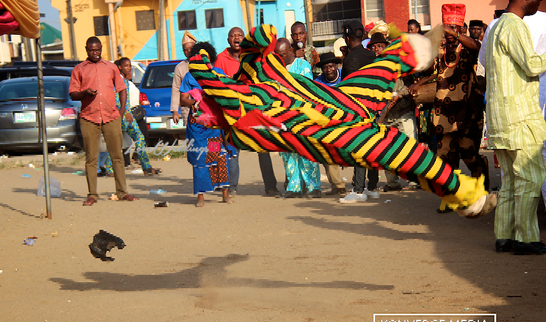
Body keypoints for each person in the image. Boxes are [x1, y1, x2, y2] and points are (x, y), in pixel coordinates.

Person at [187, 24, 496, 219]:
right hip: (329, 130)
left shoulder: (253, 83)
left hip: (337, 107)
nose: (200, 112)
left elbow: (253, 46)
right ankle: (461, 192)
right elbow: (226, 73)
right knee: (391, 150)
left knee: (387, 132)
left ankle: (461, 192)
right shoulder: (239, 120)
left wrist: (206, 58)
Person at [414, 4, 489, 213]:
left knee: (470, 156)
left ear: (460, 29)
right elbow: (431, 69)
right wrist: (419, 82)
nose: (448, 33)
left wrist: (455, 35)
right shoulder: (440, 48)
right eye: (446, 28)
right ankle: (449, 198)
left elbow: (478, 46)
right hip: (443, 113)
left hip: (468, 112)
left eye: (452, 29)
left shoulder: (469, 47)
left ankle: (482, 192)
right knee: (446, 157)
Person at [485, 0, 546, 254]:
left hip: (501, 118)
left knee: (510, 180)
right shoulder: (514, 25)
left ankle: (504, 236)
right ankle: (526, 239)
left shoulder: (496, 26)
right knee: (530, 178)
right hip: (519, 116)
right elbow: (532, 64)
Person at [69, 36, 137, 206]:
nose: (95, 53)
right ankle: (92, 194)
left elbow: (122, 89)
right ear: (86, 49)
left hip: (111, 116)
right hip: (89, 117)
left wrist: (121, 111)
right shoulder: (79, 69)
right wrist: (84, 93)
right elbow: (72, 93)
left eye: (98, 49)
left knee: (117, 156)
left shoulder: (111, 67)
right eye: (92, 50)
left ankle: (122, 192)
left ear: (101, 49)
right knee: (91, 158)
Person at [180, 42, 233, 207]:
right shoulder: (190, 76)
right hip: (197, 126)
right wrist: (196, 102)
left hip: (214, 125)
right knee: (199, 159)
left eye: (207, 58)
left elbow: (227, 93)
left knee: (219, 157)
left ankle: (225, 194)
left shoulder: (218, 73)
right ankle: (200, 196)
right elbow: (183, 99)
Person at [274, 38, 321, 198]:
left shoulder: (303, 67)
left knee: (307, 151)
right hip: (283, 118)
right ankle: (294, 187)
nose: (280, 58)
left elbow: (306, 92)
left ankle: (313, 187)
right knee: (288, 153)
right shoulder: (275, 70)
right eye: (277, 55)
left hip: (303, 116)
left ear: (290, 52)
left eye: (282, 55)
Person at [340, 20, 380, 203]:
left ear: (347, 38)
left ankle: (358, 190)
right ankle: (372, 187)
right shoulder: (372, 55)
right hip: (375, 107)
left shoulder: (349, 60)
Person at [103, 57, 160, 177]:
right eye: (126, 66)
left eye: (129, 66)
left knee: (128, 140)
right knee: (126, 140)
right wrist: (125, 112)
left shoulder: (123, 80)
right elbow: (117, 100)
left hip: (124, 114)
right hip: (122, 115)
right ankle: (110, 168)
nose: (129, 68)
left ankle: (145, 167)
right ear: (119, 67)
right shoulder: (118, 80)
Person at [314, 52, 347, 196]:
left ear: (337, 66)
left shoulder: (346, 77)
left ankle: (363, 184)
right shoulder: (318, 82)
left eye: (331, 66)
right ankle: (338, 186)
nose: (329, 70)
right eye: (325, 67)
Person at [214, 27, 243, 195]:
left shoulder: (250, 57)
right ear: (228, 40)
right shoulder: (220, 59)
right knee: (231, 149)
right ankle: (230, 186)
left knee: (263, 151)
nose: (236, 38)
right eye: (233, 36)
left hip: (251, 110)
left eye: (239, 35)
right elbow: (217, 85)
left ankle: (270, 186)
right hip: (229, 112)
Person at [172, 31, 196, 126]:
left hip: (204, 108)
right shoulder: (180, 67)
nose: (189, 51)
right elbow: (175, 89)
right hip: (187, 108)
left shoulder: (206, 64)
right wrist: (175, 110)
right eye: (186, 49)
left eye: (191, 48)